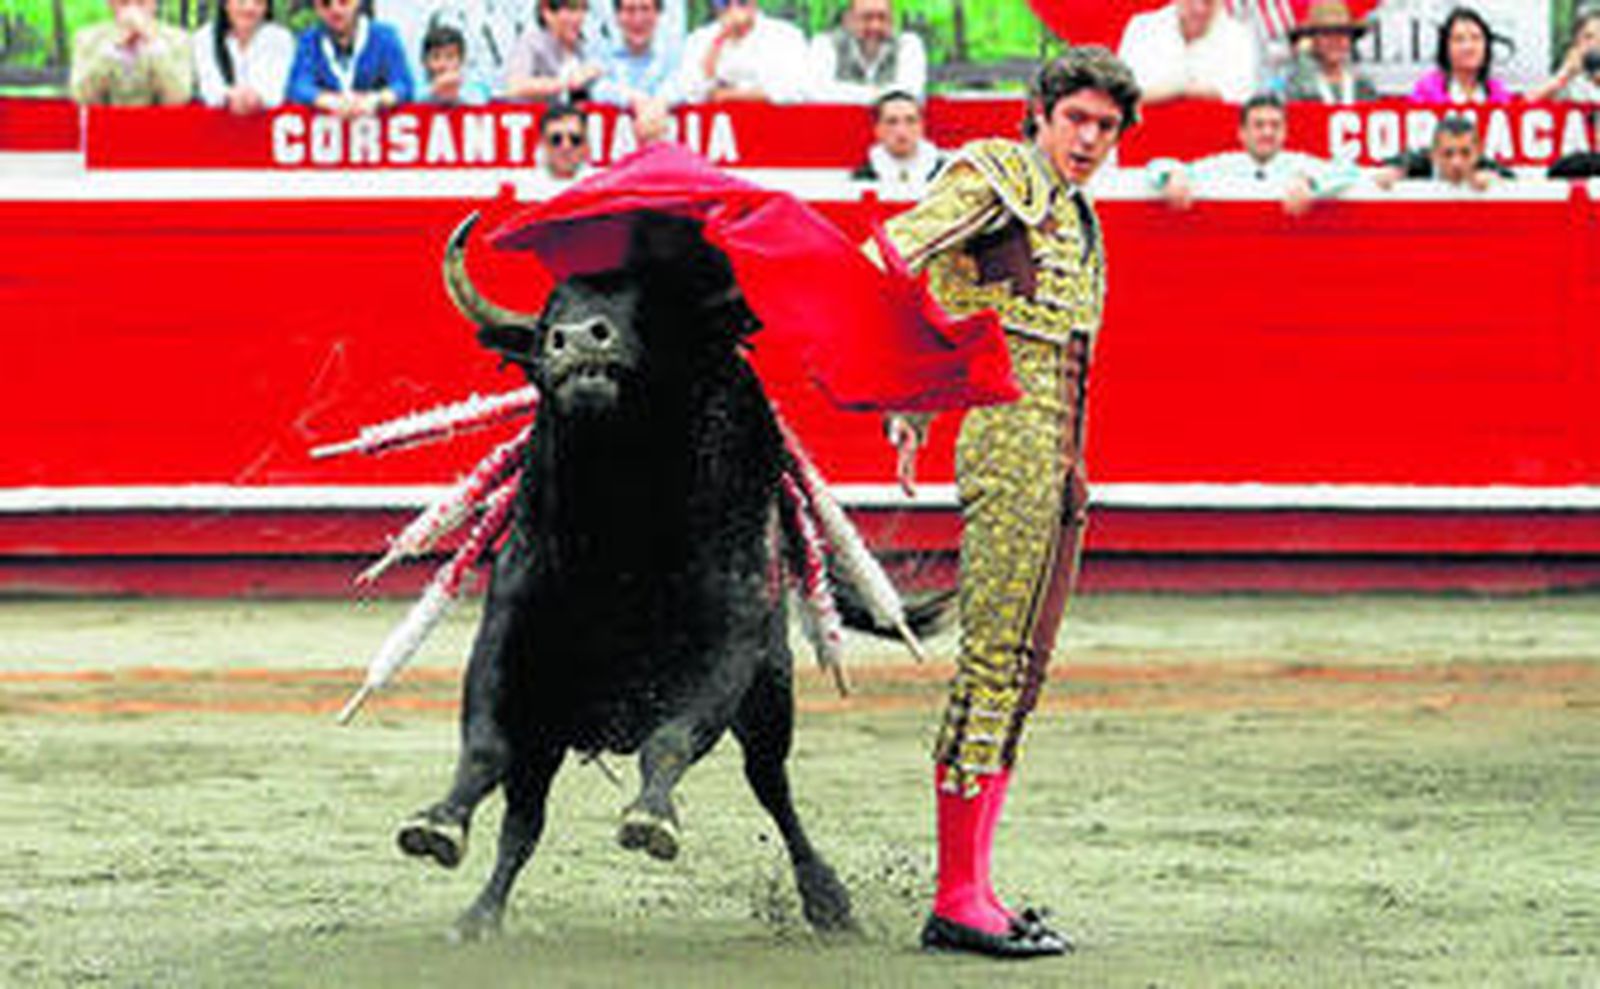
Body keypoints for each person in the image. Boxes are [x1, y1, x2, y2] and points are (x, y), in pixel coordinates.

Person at [871, 46, 1142, 959]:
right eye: (1077, 120)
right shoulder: (1000, 175)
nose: (1090, 139)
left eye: (1106, 127)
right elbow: (894, 254)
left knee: (1021, 669)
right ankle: (957, 896)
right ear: (1040, 114)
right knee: (993, 662)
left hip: (1061, 458)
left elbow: (953, 300)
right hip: (1012, 446)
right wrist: (900, 390)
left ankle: (977, 885)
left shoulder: (1075, 212)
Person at [1148, 93, 1359, 215]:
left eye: (1275, 125)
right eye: (1259, 125)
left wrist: (1312, 182)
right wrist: (1174, 175)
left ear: (1285, 132)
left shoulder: (1300, 164)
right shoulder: (1225, 164)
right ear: (1242, 133)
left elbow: (1351, 173)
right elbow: (1155, 167)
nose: (1267, 132)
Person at [1116, 0, 1256, 105]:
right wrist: (1182, 90)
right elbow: (1122, 96)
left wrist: (1165, 93)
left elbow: (1240, 99)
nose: (1199, 9)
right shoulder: (1142, 28)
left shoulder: (1240, 37)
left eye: (1208, 2)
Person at [286, 0, 413, 114]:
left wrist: (376, 100)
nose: (335, 10)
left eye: (344, 2)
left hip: (376, 123)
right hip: (328, 125)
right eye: (326, 3)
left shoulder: (385, 36)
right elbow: (297, 86)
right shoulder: (309, 41)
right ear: (316, 8)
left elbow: (403, 85)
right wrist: (329, 101)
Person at [676, 0, 809, 105]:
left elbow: (796, 90)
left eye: (742, 1)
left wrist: (733, 95)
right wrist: (718, 42)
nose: (734, 8)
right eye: (724, 2)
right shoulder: (700, 39)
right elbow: (689, 90)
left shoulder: (785, 35)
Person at [70, 0, 192, 105]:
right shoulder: (87, 39)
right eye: (124, 3)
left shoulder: (177, 39)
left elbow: (178, 98)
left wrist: (151, 42)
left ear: (154, 4)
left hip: (158, 122)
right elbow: (83, 97)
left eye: (141, 3)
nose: (132, 11)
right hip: (106, 121)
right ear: (110, 3)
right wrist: (113, 48)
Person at [807, 0, 927, 104]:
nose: (875, 26)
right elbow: (816, 93)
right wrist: (881, 95)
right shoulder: (825, 44)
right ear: (848, 20)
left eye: (882, 18)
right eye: (867, 18)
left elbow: (910, 93)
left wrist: (845, 92)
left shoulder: (907, 44)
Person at [192, 0, 293, 112]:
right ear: (226, 4)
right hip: (218, 115)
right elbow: (208, 86)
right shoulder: (205, 37)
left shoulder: (279, 38)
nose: (249, 8)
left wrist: (256, 98)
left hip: (263, 115)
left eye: (258, 2)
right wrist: (229, 96)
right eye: (241, 2)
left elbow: (276, 87)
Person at [1278, 0, 1378, 105]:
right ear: (1312, 40)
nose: (1334, 41)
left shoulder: (1362, 86)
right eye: (1326, 34)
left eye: (1342, 33)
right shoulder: (1297, 87)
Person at [1374, 116, 1512, 191]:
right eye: (1448, 154)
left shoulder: (1486, 166)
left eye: (1465, 153)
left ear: (1478, 153)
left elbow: (1511, 178)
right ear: (1433, 154)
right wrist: (1393, 172)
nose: (1456, 162)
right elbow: (1390, 166)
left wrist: (1495, 181)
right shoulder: (1415, 165)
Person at [851, 90, 944, 197]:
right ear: (877, 129)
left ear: (922, 125)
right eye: (892, 122)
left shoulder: (944, 172)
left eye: (910, 120)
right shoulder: (864, 176)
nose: (901, 130)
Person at [505, 0, 603, 102]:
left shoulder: (579, 48)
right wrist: (566, 82)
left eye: (583, 8)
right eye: (572, 9)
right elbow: (515, 87)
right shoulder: (531, 43)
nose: (579, 17)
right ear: (547, 13)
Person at [1410, 7, 1511, 105]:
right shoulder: (1426, 94)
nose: (1468, 47)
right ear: (1445, 47)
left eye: (1476, 38)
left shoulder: (1500, 95)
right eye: (1459, 39)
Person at [591, 0, 681, 106]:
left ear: (658, 15)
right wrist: (631, 98)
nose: (638, 19)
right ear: (617, 16)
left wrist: (662, 101)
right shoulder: (602, 54)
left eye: (645, 9)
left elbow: (681, 87)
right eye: (630, 9)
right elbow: (597, 89)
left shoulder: (674, 55)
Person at [1529, 8, 1600, 103]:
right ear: (1576, 41)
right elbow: (1530, 101)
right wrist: (1566, 72)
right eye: (1588, 37)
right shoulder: (1569, 79)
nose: (1594, 44)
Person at [421, 23, 489, 104]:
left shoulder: (471, 82)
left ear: (461, 59)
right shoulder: (421, 84)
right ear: (426, 61)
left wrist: (456, 91)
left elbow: (482, 98)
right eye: (436, 57)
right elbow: (415, 97)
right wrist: (435, 89)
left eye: (450, 57)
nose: (442, 64)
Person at [537, 103, 592, 180]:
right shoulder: (526, 184)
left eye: (574, 139)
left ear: (585, 144)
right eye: (556, 139)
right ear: (544, 144)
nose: (566, 146)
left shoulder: (600, 182)